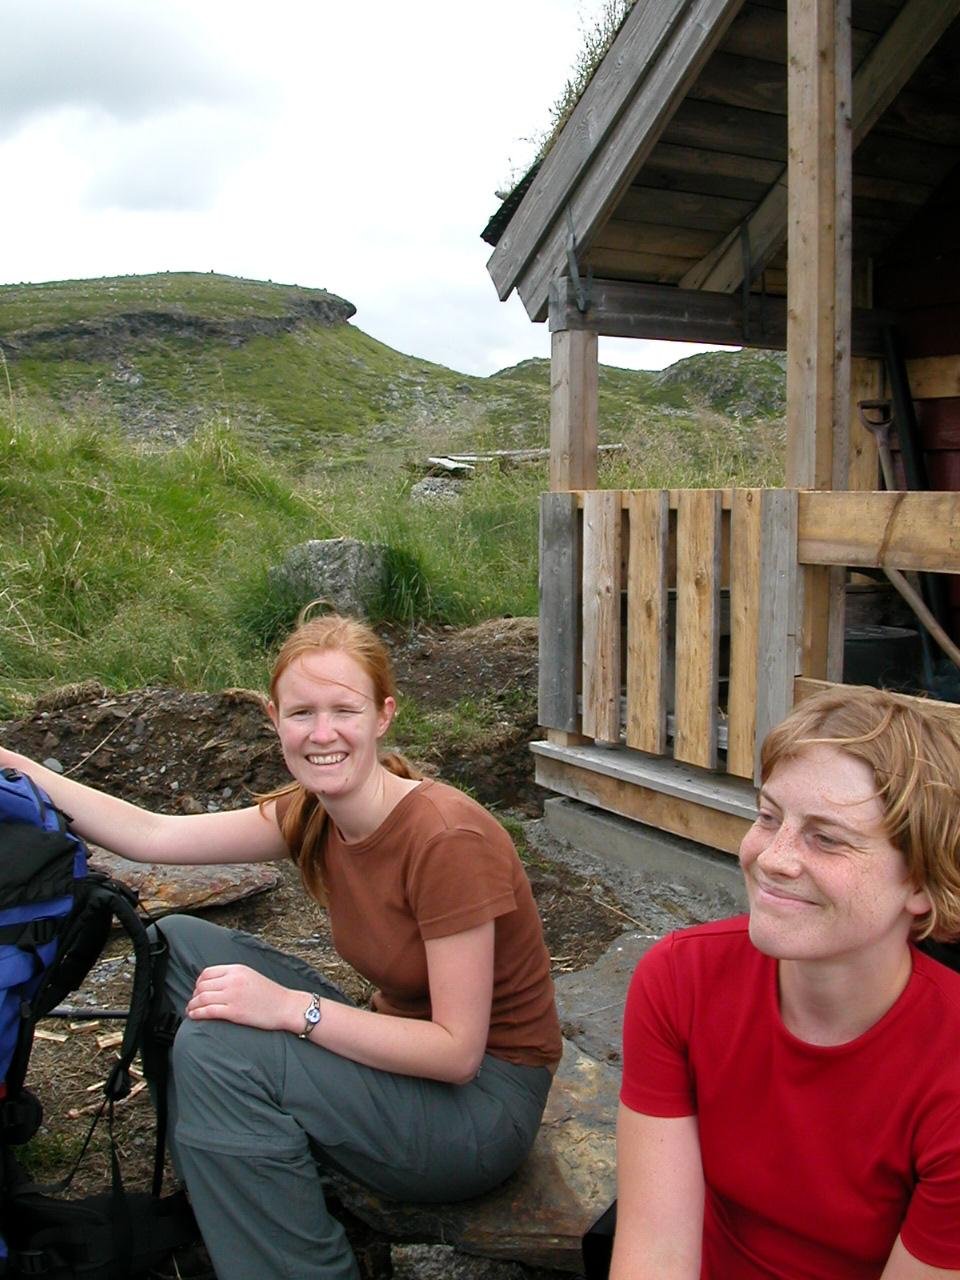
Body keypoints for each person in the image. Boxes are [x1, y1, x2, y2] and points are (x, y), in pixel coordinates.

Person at [0, 609, 562, 1280]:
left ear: (383, 715)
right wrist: (16, 766)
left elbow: (456, 1053)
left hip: (479, 1114)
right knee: (175, 944)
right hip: (405, 1071)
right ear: (274, 719)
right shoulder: (316, 811)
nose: (322, 733)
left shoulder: (446, 840)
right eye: (301, 713)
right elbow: (154, 835)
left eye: (343, 710)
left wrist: (293, 1009)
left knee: (219, 1047)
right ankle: (234, 1173)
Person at [611, 686, 960, 1280]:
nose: (772, 858)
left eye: (827, 838)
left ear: (922, 884)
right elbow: (656, 1252)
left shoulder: (946, 1066)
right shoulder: (681, 980)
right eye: (768, 816)